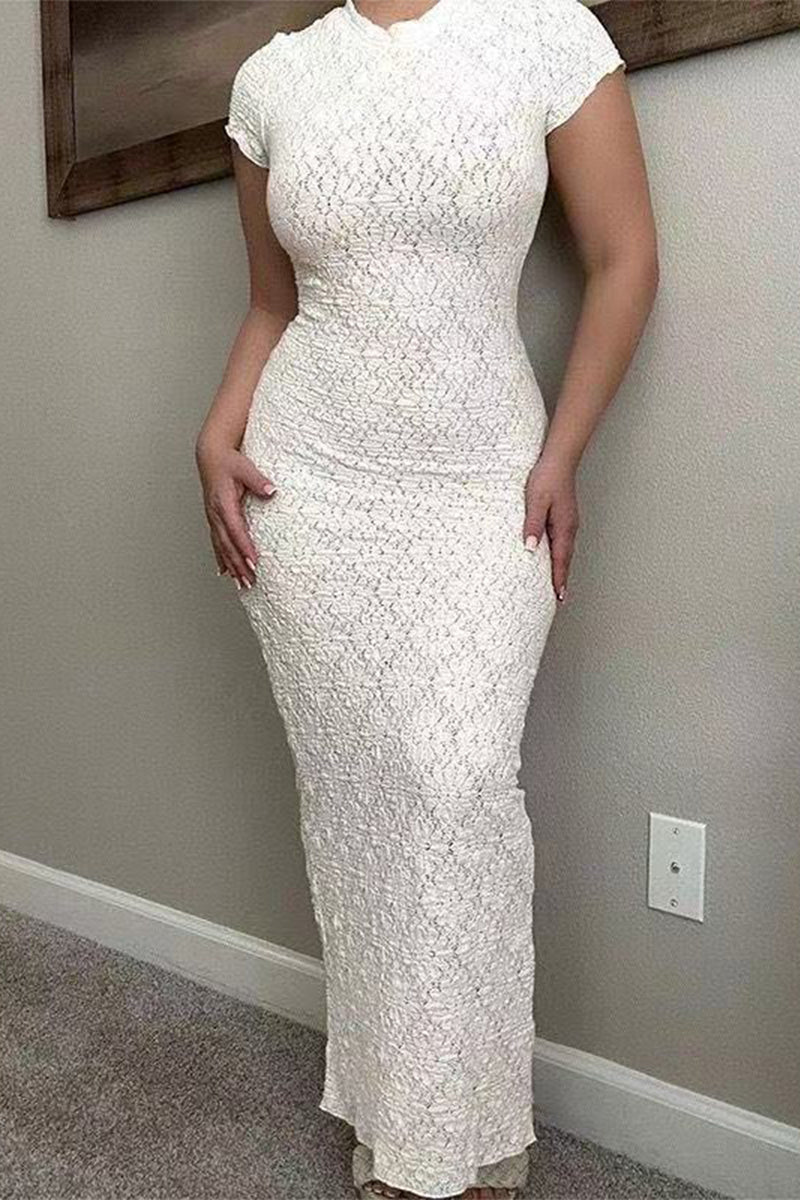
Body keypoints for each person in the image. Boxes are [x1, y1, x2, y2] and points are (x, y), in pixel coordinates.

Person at [195, 0, 658, 1196]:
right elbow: (271, 304)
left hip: (478, 482)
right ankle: (401, 1133)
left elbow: (623, 260)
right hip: (309, 484)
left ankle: (462, 1134)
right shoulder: (273, 81)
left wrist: (562, 455)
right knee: (358, 800)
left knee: (455, 782)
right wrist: (214, 431)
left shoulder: (543, 32)